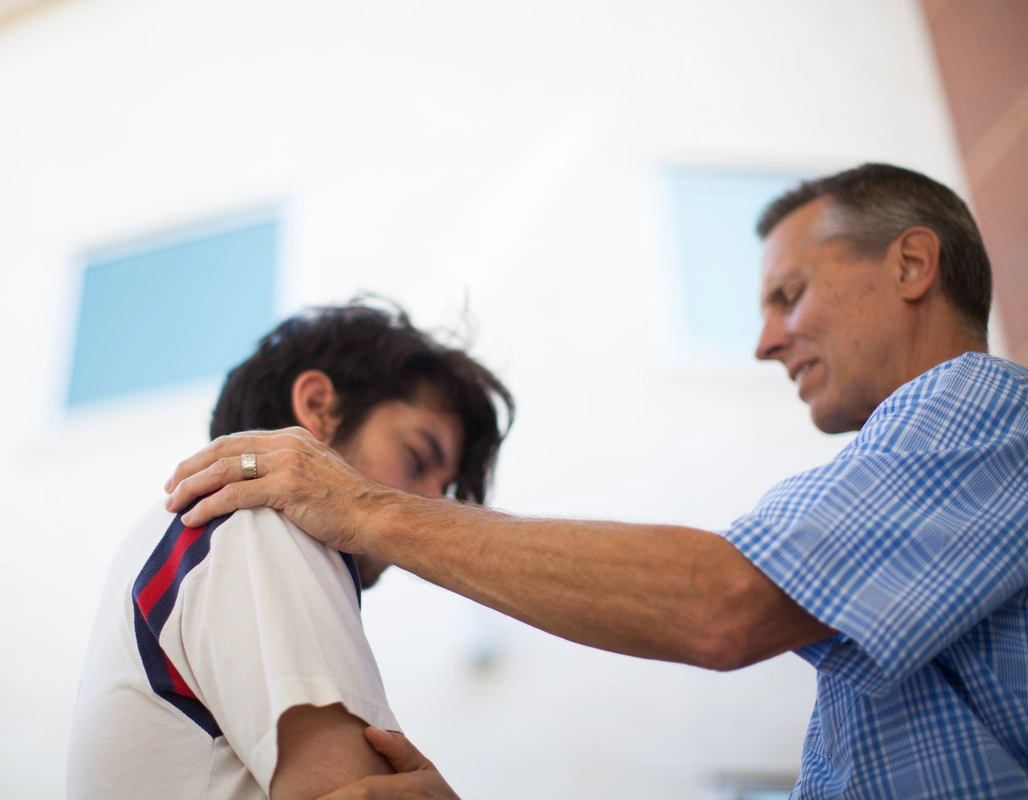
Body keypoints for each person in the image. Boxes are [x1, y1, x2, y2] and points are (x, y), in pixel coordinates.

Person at [163, 164, 1028, 799]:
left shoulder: (984, 409)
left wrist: (364, 506)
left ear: (914, 266)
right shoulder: (246, 549)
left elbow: (720, 602)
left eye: (789, 293)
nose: (765, 341)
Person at [67, 302, 512, 800]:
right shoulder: (261, 522)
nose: (431, 502)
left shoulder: (180, 542)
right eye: (419, 456)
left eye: (444, 486)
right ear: (320, 406)